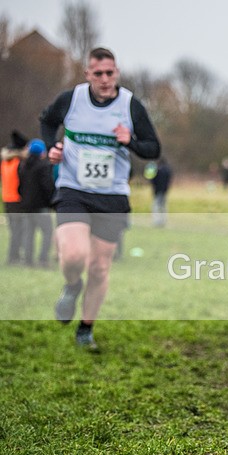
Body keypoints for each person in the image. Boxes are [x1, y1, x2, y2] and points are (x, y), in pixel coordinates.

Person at [40, 47, 161, 350]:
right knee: (74, 255)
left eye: (110, 73)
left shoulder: (130, 105)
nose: (105, 79)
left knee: (99, 267)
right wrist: (52, 146)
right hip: (74, 190)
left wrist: (130, 141)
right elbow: (47, 120)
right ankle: (72, 286)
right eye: (98, 74)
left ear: (116, 73)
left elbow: (153, 148)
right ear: (88, 74)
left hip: (112, 196)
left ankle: (86, 328)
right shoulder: (72, 99)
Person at [18, 139, 55, 267]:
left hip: (27, 205)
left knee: (29, 233)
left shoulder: (23, 165)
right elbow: (47, 186)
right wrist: (51, 201)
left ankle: (28, 260)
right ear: (42, 152)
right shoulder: (44, 166)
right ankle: (43, 259)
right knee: (48, 232)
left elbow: (20, 187)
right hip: (41, 206)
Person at [2, 130, 28, 265]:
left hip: (7, 199)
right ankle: (14, 257)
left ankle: (13, 256)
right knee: (18, 230)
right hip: (17, 200)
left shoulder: (5, 162)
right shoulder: (18, 162)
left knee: (14, 230)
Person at [151, 157, 172, 227]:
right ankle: (163, 220)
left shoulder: (157, 170)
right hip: (165, 191)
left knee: (156, 206)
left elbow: (153, 180)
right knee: (163, 206)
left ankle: (156, 221)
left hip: (157, 190)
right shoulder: (168, 170)